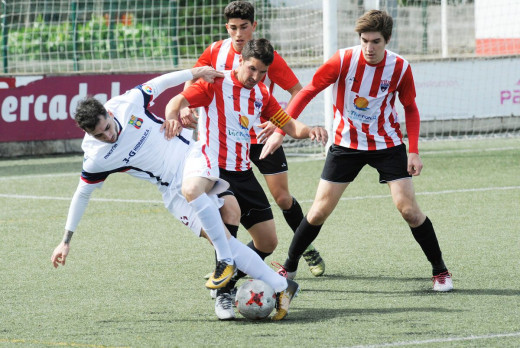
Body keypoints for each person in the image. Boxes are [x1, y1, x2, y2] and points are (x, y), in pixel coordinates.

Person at [50, 67, 300, 321]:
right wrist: (66, 240)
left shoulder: (127, 103)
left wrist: (196, 71)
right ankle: (282, 287)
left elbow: (160, 82)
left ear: (109, 113)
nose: (108, 135)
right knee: (221, 237)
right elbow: (82, 194)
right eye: (99, 135)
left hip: (192, 158)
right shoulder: (95, 157)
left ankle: (224, 264)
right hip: (170, 190)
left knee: (219, 206)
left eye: (107, 127)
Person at [275, 10, 453, 292]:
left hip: (388, 144)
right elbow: (307, 91)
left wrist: (414, 151)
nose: (369, 48)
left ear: (387, 40)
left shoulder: (400, 68)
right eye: (364, 40)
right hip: (346, 144)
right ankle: (289, 264)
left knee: (408, 210)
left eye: (375, 42)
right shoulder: (343, 60)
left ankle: (440, 271)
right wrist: (281, 128)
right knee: (319, 210)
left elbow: (410, 108)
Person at [163, 39, 328, 319]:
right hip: (215, 170)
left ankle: (228, 276)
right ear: (241, 60)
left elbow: (288, 124)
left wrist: (309, 129)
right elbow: (178, 100)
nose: (256, 77)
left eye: (262, 72)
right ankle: (224, 293)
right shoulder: (215, 83)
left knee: (267, 242)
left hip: (243, 172)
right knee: (229, 214)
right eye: (252, 69)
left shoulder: (261, 94)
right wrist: (174, 116)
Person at [179, 0, 326, 279]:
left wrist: (276, 124)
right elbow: (193, 80)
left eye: (244, 27)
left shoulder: (268, 57)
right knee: (228, 208)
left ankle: (303, 247)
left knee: (282, 198)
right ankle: (226, 273)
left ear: (253, 27)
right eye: (233, 28)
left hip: (261, 135)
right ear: (227, 28)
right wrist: (184, 105)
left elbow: (296, 91)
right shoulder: (215, 52)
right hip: (224, 141)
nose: (238, 33)